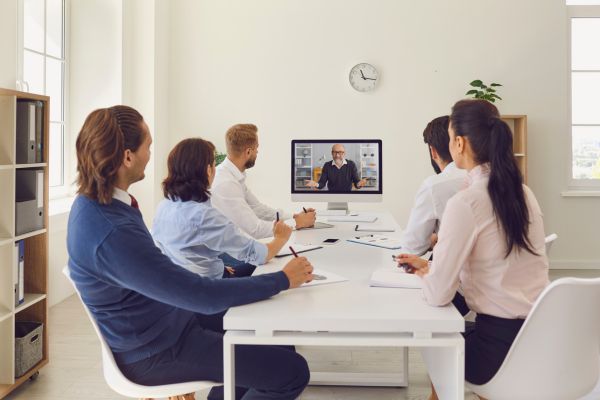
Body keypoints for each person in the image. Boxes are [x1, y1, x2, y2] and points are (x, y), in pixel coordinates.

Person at [67, 106, 313, 400]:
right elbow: (201, 296)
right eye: (148, 146)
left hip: (168, 319)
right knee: (293, 372)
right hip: (156, 350)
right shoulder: (110, 230)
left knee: (273, 334)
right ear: (127, 156)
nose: (150, 155)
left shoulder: (101, 205)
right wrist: (282, 280)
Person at [395, 99, 549, 400]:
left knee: (433, 336)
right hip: (537, 341)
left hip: (496, 351)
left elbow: (439, 294)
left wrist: (428, 273)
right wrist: (433, 266)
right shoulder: (523, 192)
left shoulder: (467, 201)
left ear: (460, 143)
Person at [152, 138, 292, 279]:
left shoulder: (163, 206)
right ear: (208, 170)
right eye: (214, 165)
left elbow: (173, 252)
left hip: (183, 281)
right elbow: (257, 254)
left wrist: (217, 268)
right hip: (211, 287)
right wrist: (281, 238)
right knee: (281, 268)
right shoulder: (204, 215)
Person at [211, 123, 316, 240]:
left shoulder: (233, 176)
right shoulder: (226, 183)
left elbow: (257, 209)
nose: (257, 152)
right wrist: (296, 223)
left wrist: (294, 216)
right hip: (222, 255)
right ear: (248, 152)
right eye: (257, 148)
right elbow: (255, 229)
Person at [399, 116, 466, 256]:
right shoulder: (491, 178)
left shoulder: (434, 186)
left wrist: (432, 239)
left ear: (433, 151)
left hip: (454, 273)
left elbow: (412, 248)